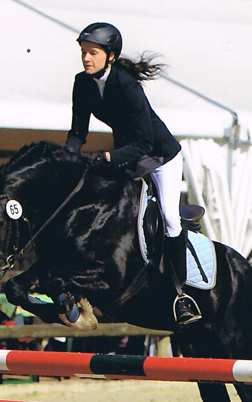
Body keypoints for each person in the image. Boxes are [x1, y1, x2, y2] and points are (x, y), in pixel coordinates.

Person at [65, 22, 200, 326]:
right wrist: (67, 160)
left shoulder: (126, 84)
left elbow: (145, 142)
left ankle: (181, 295)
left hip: (160, 157)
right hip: (128, 155)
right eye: (83, 52)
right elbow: (77, 132)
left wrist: (108, 157)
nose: (86, 58)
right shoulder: (82, 83)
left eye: (93, 53)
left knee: (169, 218)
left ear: (110, 56)